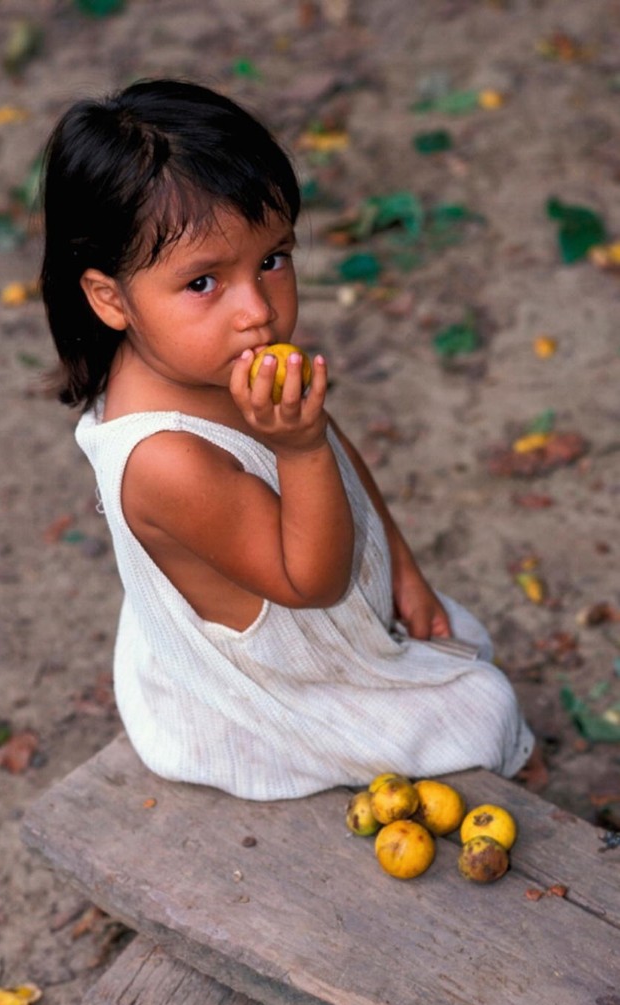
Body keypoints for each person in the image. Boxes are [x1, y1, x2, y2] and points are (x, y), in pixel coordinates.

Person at [41, 78, 541, 800]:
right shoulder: (164, 461)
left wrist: (400, 564)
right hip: (265, 686)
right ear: (109, 298)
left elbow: (331, 449)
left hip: (320, 600)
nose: (257, 311)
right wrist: (298, 449)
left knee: (455, 635)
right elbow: (311, 582)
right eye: (204, 282)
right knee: (481, 709)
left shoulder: (210, 357)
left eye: (272, 259)